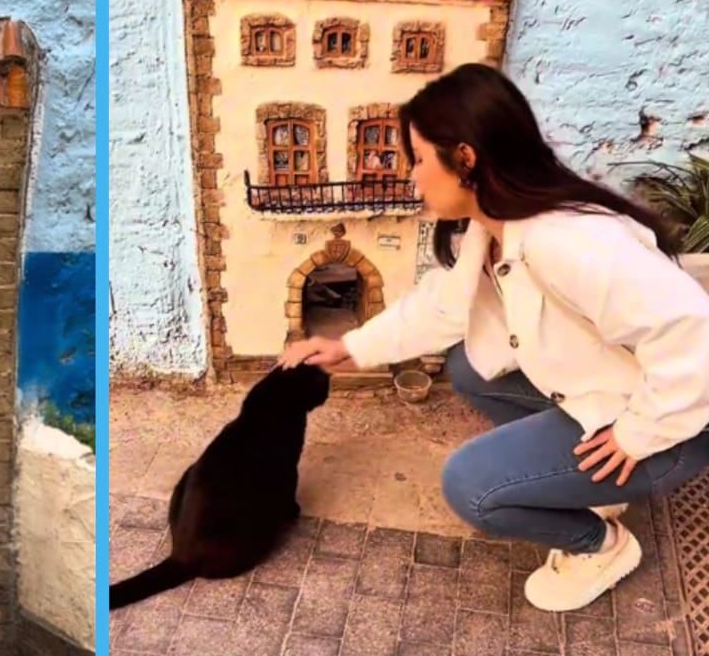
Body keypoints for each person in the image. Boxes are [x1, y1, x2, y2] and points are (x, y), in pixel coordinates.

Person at [277, 63, 709, 613]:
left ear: (465, 158)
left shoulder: (566, 242)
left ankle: (600, 545)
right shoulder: (497, 224)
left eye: (419, 158)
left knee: (472, 486)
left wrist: (635, 436)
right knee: (471, 365)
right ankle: (587, 484)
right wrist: (351, 346)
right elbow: (446, 304)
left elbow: (694, 333)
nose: (412, 176)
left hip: (676, 428)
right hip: (610, 391)